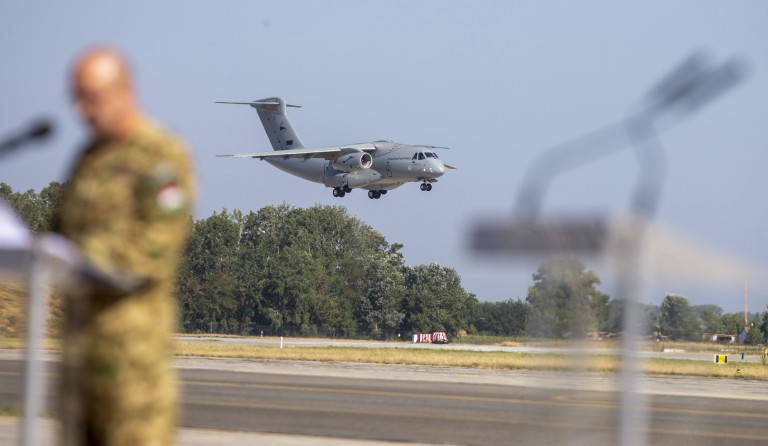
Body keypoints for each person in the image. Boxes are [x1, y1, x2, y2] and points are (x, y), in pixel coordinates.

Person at [58, 47, 195, 446]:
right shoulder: (89, 158)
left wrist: (77, 256)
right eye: (76, 99)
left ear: (125, 90)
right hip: (80, 358)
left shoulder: (161, 156)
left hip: (133, 366)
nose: (82, 111)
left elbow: (155, 248)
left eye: (93, 97)